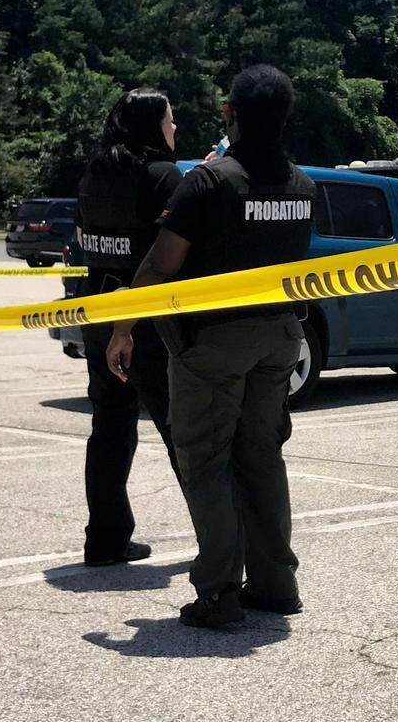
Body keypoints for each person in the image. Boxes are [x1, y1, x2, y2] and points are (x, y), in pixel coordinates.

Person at [106, 64, 315, 628]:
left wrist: (122, 327)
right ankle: (275, 585)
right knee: (262, 457)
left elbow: (160, 264)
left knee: (206, 459)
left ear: (231, 115)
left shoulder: (209, 182)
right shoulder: (304, 186)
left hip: (212, 342)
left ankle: (219, 593)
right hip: (280, 339)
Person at [76, 88, 184, 567]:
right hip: (146, 323)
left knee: (110, 428)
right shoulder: (161, 175)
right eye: (170, 120)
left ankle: (105, 539)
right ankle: (221, 541)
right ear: (151, 127)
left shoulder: (95, 174)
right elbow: (178, 246)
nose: (175, 129)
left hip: (97, 314)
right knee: (183, 430)